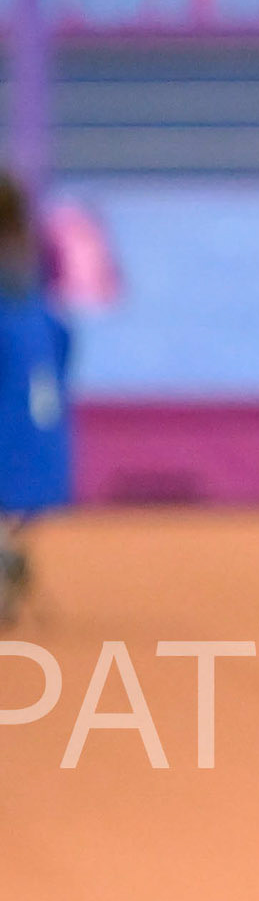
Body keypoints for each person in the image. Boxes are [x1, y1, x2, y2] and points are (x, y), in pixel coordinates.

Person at [0, 172, 73, 629]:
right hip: (33, 404)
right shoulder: (31, 283)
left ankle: (9, 552)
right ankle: (10, 550)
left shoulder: (25, 286)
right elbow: (61, 342)